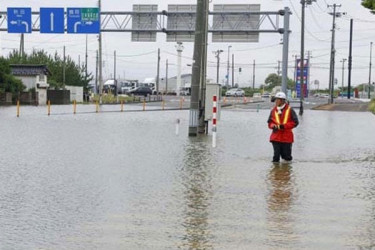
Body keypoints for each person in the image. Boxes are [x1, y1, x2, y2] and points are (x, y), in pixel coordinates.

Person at [267, 92, 299, 163]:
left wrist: (283, 126)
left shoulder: (290, 110)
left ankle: (286, 172)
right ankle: (276, 172)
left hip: (286, 137)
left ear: (282, 100)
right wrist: (273, 126)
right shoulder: (273, 110)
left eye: (277, 100)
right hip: (276, 137)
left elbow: (295, 123)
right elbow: (269, 123)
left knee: (287, 158)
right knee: (276, 158)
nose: (276, 101)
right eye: (276, 100)